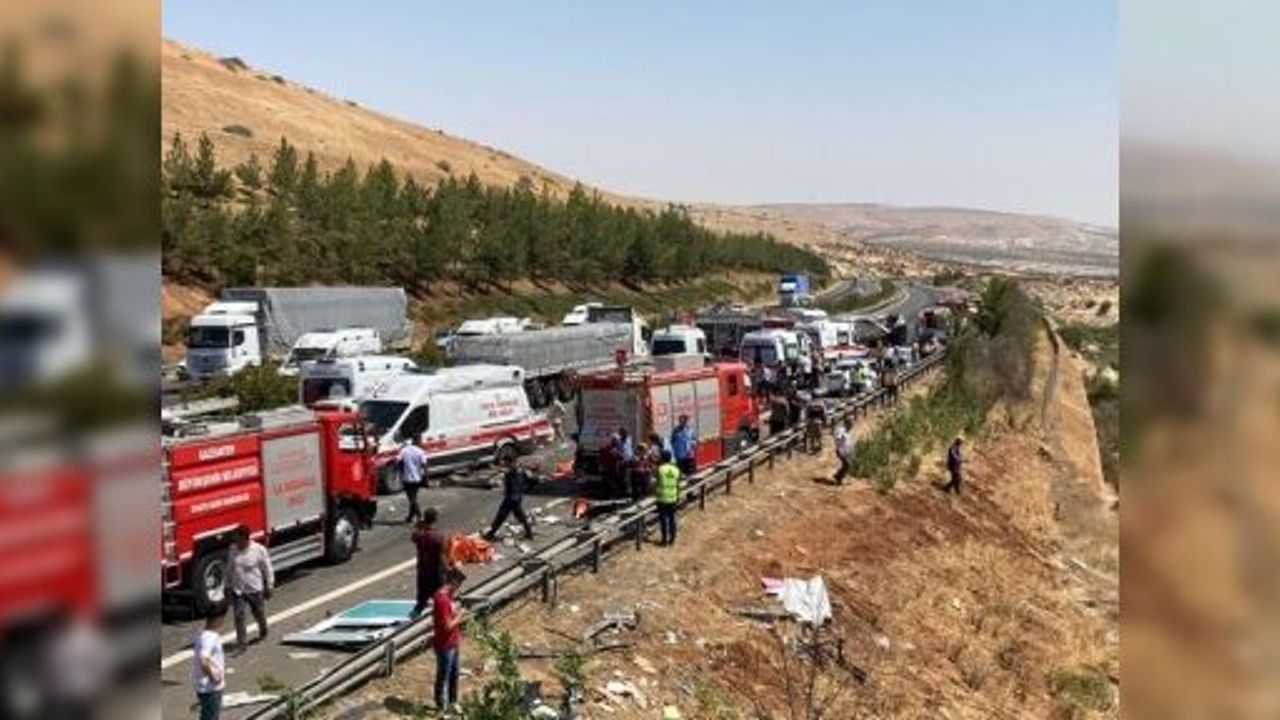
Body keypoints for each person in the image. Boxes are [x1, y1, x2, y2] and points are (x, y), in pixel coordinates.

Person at [227, 525, 273, 653]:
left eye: (238, 538)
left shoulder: (258, 550)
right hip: (238, 590)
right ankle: (242, 644)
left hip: (255, 589)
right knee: (239, 616)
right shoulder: (232, 549)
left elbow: (267, 568)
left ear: (245, 538)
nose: (235, 541)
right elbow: (229, 568)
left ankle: (263, 629)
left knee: (258, 612)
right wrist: (227, 586)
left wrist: (269, 585)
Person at [431, 569, 466, 713]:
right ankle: (441, 706)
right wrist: (461, 615)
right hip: (445, 645)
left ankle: (453, 702)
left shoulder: (448, 597)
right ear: (453, 582)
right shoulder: (442, 600)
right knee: (443, 676)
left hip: (453, 641)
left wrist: (455, 611)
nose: (459, 588)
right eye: (458, 585)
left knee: (454, 673)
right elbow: (447, 626)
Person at [483, 454, 535, 541]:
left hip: (510, 498)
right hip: (517, 497)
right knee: (521, 517)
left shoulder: (512, 471)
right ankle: (529, 534)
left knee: (501, 516)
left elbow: (509, 472)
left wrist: (498, 469)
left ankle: (490, 534)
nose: (504, 463)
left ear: (509, 461)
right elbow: (528, 479)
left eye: (505, 461)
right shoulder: (520, 469)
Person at [410, 507, 450, 617]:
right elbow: (442, 557)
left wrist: (420, 525)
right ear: (436, 519)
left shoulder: (419, 535)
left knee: (421, 601)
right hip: (436, 573)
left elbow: (414, 535)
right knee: (441, 599)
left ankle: (413, 617)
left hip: (422, 571)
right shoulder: (439, 537)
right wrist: (448, 570)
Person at [192, 609, 227, 720]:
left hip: (204, 685)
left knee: (206, 715)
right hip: (210, 687)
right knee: (211, 717)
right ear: (218, 619)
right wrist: (213, 677)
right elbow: (204, 661)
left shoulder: (202, 633)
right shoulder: (210, 637)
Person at [654, 450, 682, 546]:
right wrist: (678, 496)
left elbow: (654, 482)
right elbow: (678, 484)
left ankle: (664, 540)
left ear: (662, 458)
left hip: (662, 498)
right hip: (673, 497)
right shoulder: (676, 469)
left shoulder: (659, 469)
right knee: (672, 519)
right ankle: (672, 539)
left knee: (663, 519)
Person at [398, 438, 428, 524]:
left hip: (407, 478)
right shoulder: (420, 451)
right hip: (418, 478)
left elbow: (398, 461)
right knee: (414, 497)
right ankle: (410, 517)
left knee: (411, 498)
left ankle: (419, 515)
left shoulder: (404, 450)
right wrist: (426, 479)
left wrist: (401, 472)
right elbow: (424, 465)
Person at [832, 418, 854, 485]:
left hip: (847, 451)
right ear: (846, 424)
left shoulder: (847, 431)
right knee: (847, 464)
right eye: (850, 425)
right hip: (841, 450)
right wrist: (839, 448)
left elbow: (848, 441)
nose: (851, 427)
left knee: (847, 465)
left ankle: (838, 476)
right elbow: (838, 439)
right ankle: (838, 476)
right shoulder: (841, 430)